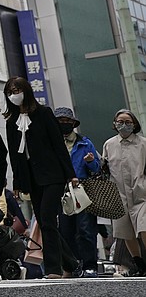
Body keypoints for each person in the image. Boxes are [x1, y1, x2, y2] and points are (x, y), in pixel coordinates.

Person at [3, 77, 77, 279]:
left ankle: (53, 268)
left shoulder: (44, 113)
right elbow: (14, 154)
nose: (14, 94)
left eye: (17, 89)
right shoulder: (11, 122)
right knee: (45, 222)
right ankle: (70, 262)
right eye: (10, 91)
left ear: (26, 90)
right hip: (31, 178)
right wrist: (17, 182)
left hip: (52, 174)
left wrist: (70, 174)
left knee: (46, 219)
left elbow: (58, 145)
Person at [56, 107, 101, 277]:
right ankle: (72, 266)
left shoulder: (84, 142)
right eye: (61, 122)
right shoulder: (53, 143)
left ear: (74, 124)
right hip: (62, 192)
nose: (65, 125)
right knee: (66, 230)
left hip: (83, 190)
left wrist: (90, 161)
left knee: (85, 229)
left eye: (68, 122)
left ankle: (90, 265)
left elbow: (96, 169)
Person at [103, 109, 146, 276]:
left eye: (128, 122)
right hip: (119, 194)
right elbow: (105, 168)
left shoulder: (143, 143)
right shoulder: (109, 144)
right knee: (125, 231)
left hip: (141, 193)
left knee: (143, 228)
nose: (124, 125)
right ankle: (139, 264)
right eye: (120, 121)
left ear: (134, 124)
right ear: (114, 124)